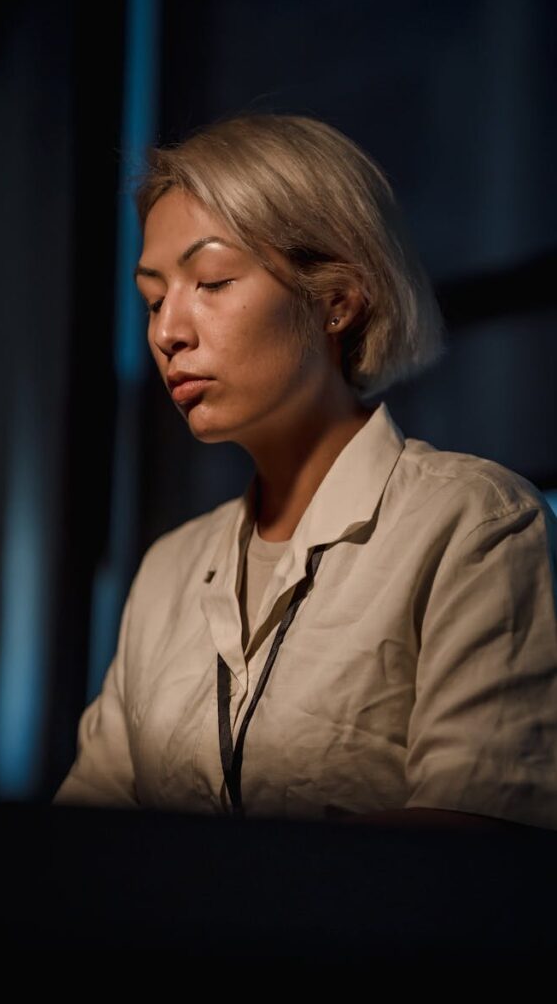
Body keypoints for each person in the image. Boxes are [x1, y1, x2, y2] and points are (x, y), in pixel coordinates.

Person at [54, 113, 557, 830]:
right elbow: (81, 844)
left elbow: (475, 841)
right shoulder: (168, 570)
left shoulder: (473, 524)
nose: (167, 331)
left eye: (212, 280)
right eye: (153, 298)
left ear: (337, 301)